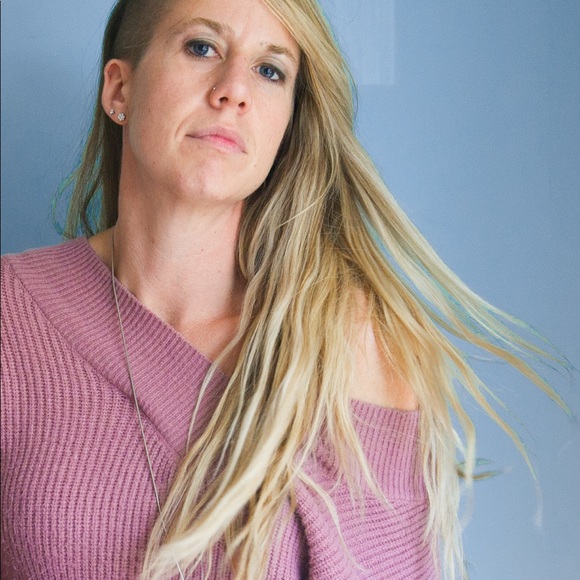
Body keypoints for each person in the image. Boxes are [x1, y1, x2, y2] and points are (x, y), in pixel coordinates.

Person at [0, 0, 568, 578]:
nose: (234, 91)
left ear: (286, 125)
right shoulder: (10, 314)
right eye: (202, 47)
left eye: (270, 70)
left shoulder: (344, 345)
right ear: (119, 89)